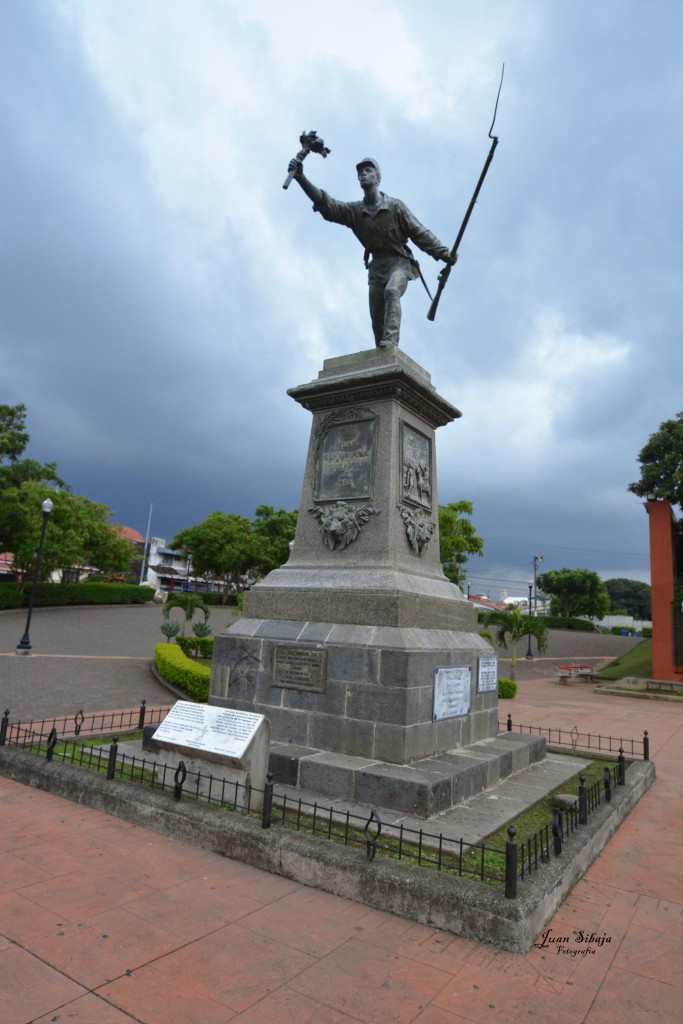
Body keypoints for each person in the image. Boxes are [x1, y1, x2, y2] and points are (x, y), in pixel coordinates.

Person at [287, 156, 455, 347]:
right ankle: (382, 358)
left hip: (399, 263)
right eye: (360, 173)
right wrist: (300, 177)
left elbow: (420, 233)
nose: (363, 174)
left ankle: (392, 342)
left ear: (378, 178)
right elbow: (328, 204)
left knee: (392, 291)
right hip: (376, 269)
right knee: (377, 319)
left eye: (368, 171)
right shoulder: (355, 211)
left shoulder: (395, 207)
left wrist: (443, 253)